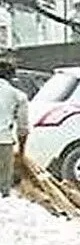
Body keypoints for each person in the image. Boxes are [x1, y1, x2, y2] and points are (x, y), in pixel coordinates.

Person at [0, 61, 28, 198]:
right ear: (11, 77)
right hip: (3, 143)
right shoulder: (18, 95)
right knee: (3, 191)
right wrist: (21, 153)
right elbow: (23, 128)